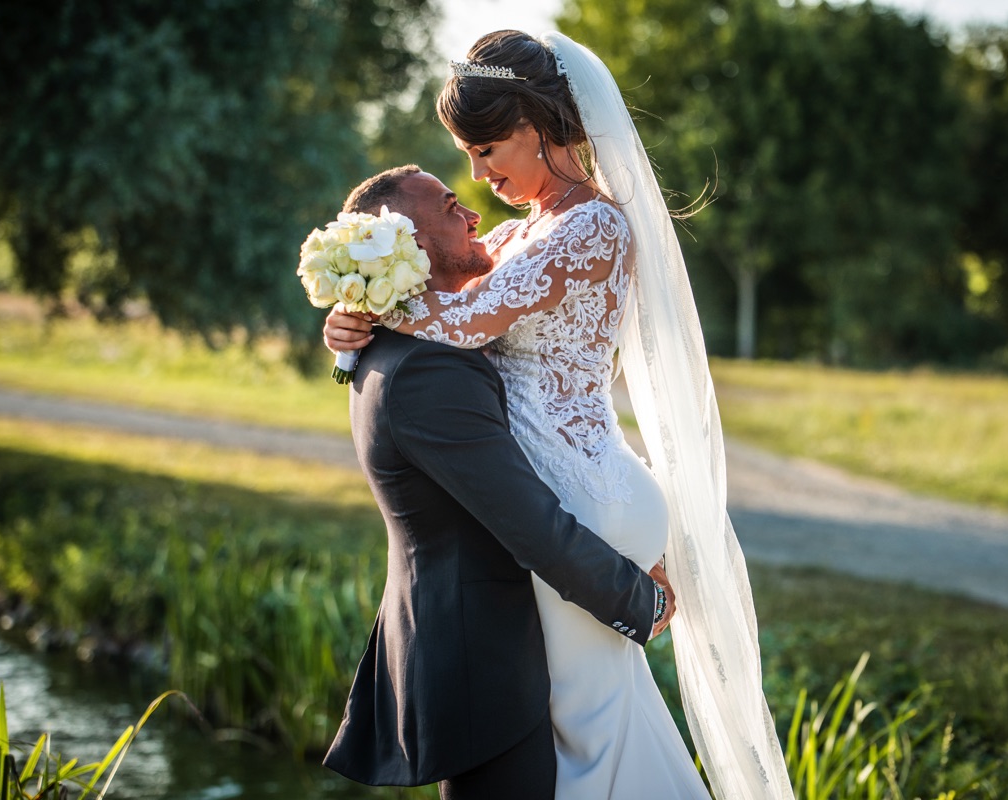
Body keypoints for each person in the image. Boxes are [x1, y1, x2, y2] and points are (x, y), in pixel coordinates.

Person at [326, 31, 795, 800]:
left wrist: (366, 307)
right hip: (575, 492)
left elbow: (466, 322)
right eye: (466, 155)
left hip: (583, 493)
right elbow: (449, 309)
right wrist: (350, 327)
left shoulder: (592, 226)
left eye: (484, 149)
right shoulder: (517, 235)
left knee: (589, 728)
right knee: (600, 720)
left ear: (537, 126)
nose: (476, 174)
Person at [319, 165, 675, 800]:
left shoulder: (405, 344)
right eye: (453, 205)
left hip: (503, 648)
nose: (475, 210)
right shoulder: (428, 369)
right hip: (481, 669)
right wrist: (639, 603)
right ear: (411, 244)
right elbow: (527, 521)